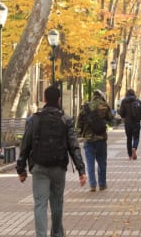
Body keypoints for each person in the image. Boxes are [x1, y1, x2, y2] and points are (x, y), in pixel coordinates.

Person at [17, 86, 87, 237]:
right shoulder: (66, 120)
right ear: (59, 100)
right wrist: (81, 170)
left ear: (45, 99)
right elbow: (73, 146)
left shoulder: (34, 119)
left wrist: (21, 169)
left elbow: (25, 144)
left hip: (39, 167)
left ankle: (41, 235)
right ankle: (56, 233)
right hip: (58, 167)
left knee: (40, 204)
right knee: (57, 204)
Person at [78, 90, 114, 191]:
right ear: (101, 96)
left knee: (90, 162)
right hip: (101, 138)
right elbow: (112, 119)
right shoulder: (105, 106)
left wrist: (81, 133)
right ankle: (102, 184)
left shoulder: (85, 107)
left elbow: (79, 123)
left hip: (89, 139)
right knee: (102, 162)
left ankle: (92, 185)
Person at [118, 89, 141, 160]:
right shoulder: (138, 101)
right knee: (136, 138)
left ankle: (130, 155)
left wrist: (124, 116)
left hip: (127, 123)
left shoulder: (124, 101)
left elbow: (121, 113)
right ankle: (134, 148)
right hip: (136, 123)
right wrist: (140, 117)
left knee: (129, 139)